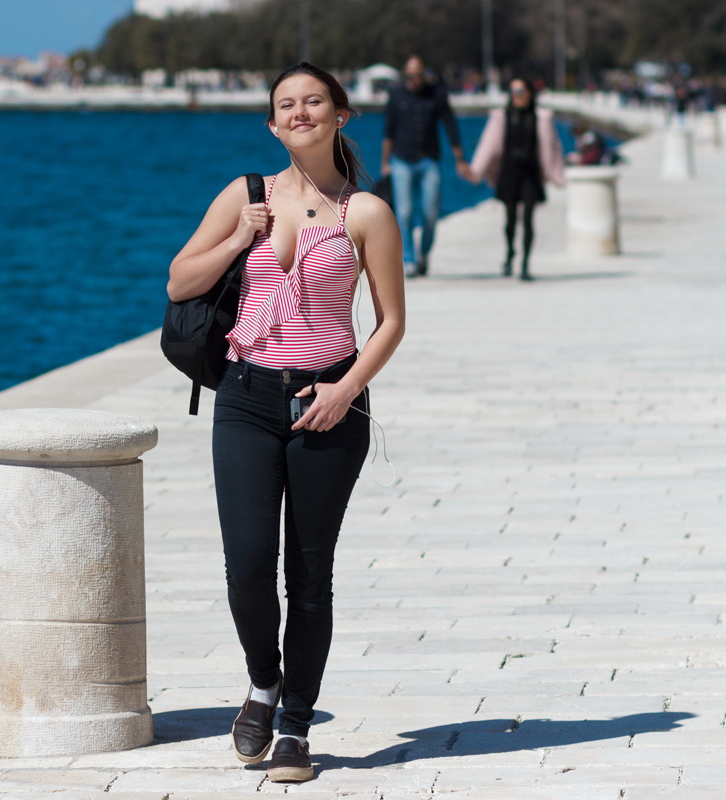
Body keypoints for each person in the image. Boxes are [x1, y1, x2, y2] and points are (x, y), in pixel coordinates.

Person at [167, 62, 405, 783]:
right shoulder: (248, 195)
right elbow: (180, 280)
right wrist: (239, 237)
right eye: (286, 106)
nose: (299, 113)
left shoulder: (366, 212)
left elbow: (391, 323)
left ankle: (296, 725)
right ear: (273, 124)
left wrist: (345, 390)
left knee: (308, 573)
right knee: (246, 565)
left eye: (313, 102)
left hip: (325, 402)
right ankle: (262, 685)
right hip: (243, 397)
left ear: (340, 115)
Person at [466, 77, 564, 281]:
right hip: (509, 173)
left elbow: (552, 147)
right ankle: (510, 252)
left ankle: (525, 264)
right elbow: (488, 145)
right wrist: (476, 171)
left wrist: (557, 174)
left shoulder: (541, 117)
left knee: (528, 219)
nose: (517, 96)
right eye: (513, 92)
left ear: (530, 93)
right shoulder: (502, 116)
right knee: (510, 220)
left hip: (531, 173)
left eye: (521, 91)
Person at [381, 55, 468, 277]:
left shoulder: (436, 94)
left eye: (419, 74)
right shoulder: (396, 95)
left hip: (428, 160)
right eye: (411, 75)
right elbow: (388, 131)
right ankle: (409, 259)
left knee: (430, 213)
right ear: (405, 74)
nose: (415, 79)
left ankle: (424, 254)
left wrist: (459, 158)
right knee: (405, 212)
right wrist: (385, 162)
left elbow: (450, 125)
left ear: (424, 73)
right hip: (401, 160)